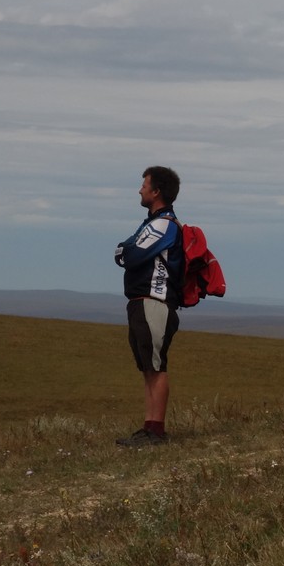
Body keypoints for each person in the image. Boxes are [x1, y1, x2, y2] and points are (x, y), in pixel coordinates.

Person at [113, 165, 184, 448]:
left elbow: (128, 253)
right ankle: (150, 427)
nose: (140, 189)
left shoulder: (163, 225)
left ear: (156, 192)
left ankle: (157, 432)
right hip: (142, 302)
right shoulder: (153, 223)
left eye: (144, 185)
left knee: (156, 366)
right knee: (148, 367)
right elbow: (125, 251)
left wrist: (124, 251)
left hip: (154, 302)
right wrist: (124, 251)